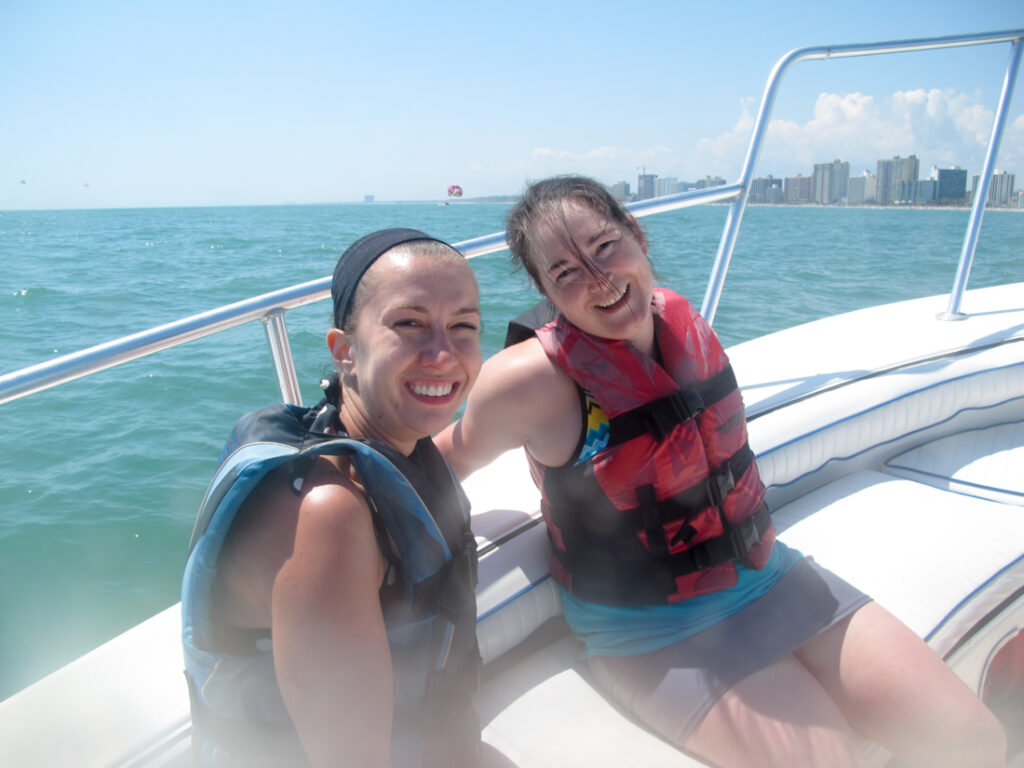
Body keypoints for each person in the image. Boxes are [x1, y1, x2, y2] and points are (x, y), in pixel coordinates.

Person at [435, 176, 1007, 768]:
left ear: (638, 233)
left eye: (605, 246)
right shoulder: (531, 381)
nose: (599, 279)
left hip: (767, 573)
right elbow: (448, 455)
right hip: (653, 630)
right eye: (566, 272)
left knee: (975, 742)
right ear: (546, 291)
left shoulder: (680, 318)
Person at [182, 229, 485, 768]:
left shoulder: (401, 449)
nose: (443, 354)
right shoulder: (328, 515)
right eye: (409, 324)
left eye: (464, 327)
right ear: (345, 350)